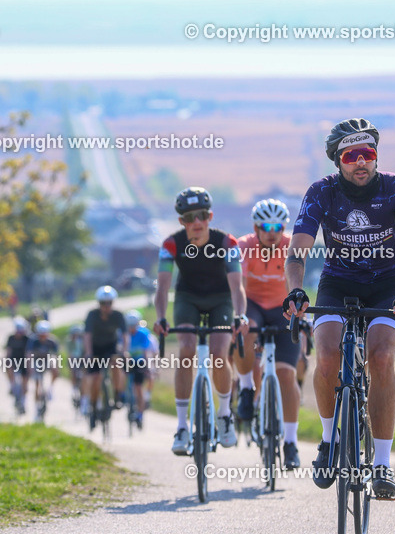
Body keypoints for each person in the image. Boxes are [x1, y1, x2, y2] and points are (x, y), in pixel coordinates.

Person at [284, 118, 395, 499]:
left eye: (368, 153)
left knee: (381, 357)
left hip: (386, 284)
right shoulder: (321, 192)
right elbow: (297, 251)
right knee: (327, 354)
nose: (361, 162)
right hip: (338, 282)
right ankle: (329, 442)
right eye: (351, 155)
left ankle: (381, 463)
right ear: (338, 161)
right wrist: (296, 292)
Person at [153, 187, 248, 455]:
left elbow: (237, 288)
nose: (196, 223)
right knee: (186, 349)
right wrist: (160, 317)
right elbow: (162, 288)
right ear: (181, 221)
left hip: (221, 299)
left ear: (210, 216)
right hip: (188, 298)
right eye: (189, 217)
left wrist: (240, 315)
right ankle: (182, 426)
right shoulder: (171, 244)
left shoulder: (227, 242)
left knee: (220, 353)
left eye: (202, 216)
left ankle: (225, 414)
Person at [233, 199, 302, 469]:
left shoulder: (291, 246)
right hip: (253, 304)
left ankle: (291, 442)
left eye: (277, 226)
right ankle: (247, 388)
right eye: (266, 226)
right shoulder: (244, 246)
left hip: (282, 307)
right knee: (246, 326)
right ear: (256, 227)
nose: (272, 231)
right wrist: (237, 315)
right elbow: (237, 284)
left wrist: (302, 317)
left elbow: (299, 281)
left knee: (287, 373)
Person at [82, 285, 128, 430]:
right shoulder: (92, 315)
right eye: (103, 303)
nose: (106, 306)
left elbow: (125, 336)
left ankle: (117, 394)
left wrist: (125, 351)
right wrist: (89, 352)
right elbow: (87, 335)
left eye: (109, 303)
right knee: (95, 379)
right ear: (99, 303)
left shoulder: (118, 315)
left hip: (111, 346)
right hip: (95, 348)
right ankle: (94, 408)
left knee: (116, 364)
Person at [124, 309, 154, 428]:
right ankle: (121, 395)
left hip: (139, 362)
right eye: (129, 325)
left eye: (134, 325)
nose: (132, 328)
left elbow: (146, 352)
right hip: (127, 361)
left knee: (138, 387)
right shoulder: (123, 334)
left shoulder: (143, 334)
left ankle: (140, 414)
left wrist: (147, 366)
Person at [27, 320, 60, 413]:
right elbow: (29, 355)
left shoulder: (52, 341)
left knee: (54, 366)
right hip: (36, 361)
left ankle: (50, 388)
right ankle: (36, 407)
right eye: (41, 335)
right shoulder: (33, 340)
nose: (43, 337)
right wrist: (30, 367)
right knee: (37, 384)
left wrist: (55, 366)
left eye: (44, 334)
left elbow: (55, 355)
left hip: (47, 361)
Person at [5, 317, 32, 414]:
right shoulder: (11, 338)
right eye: (18, 331)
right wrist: (6, 360)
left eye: (21, 332)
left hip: (24, 361)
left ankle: (23, 403)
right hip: (13, 360)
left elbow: (29, 353)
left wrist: (29, 366)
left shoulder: (27, 339)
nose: (19, 334)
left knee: (25, 383)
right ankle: (12, 385)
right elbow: (8, 351)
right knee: (7, 367)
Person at [66, 323, 86, 410]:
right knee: (73, 371)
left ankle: (84, 396)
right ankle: (74, 388)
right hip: (74, 359)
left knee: (84, 375)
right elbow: (70, 354)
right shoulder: (69, 342)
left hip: (83, 359)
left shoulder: (84, 341)